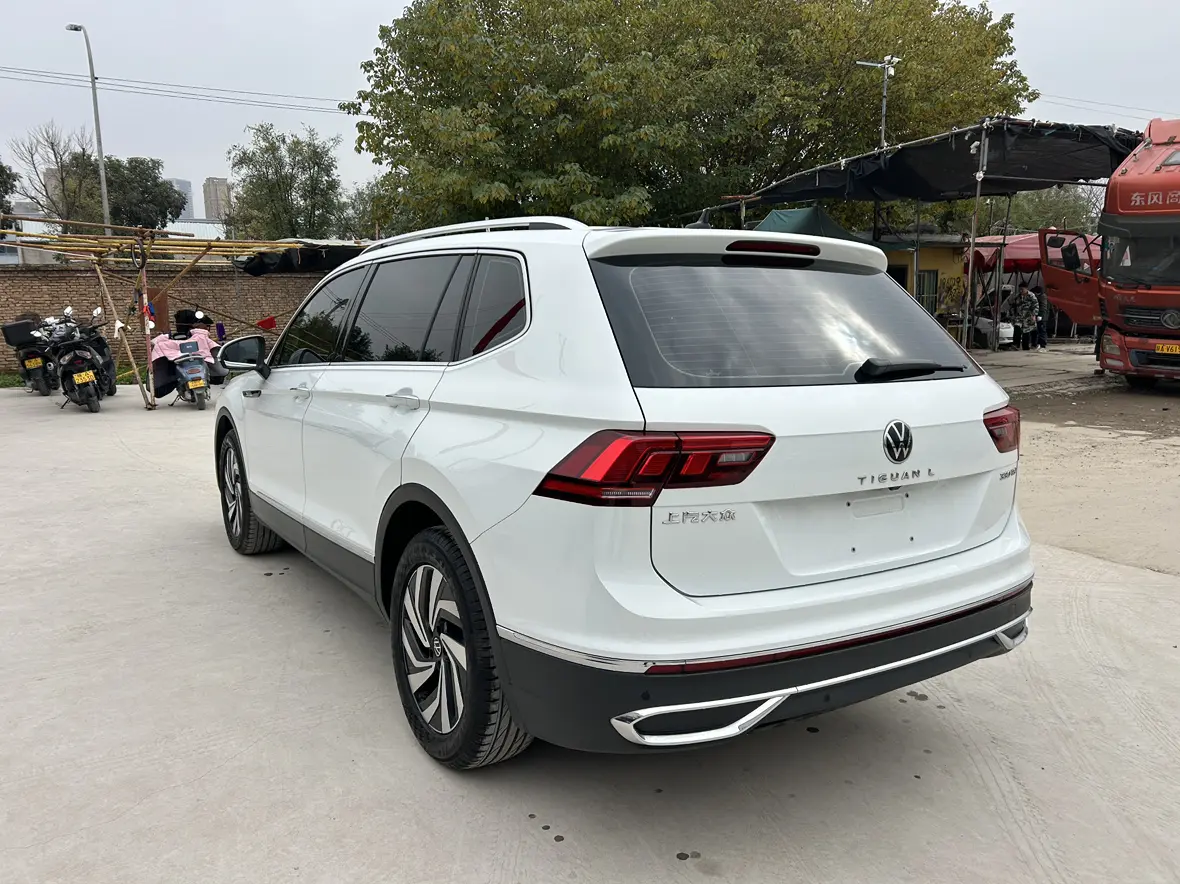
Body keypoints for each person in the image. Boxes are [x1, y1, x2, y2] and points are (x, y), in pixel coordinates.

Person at [1013, 282, 1038, 351]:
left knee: (1026, 331)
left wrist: (1034, 315)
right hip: (1019, 316)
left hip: (1028, 316)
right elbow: (1014, 306)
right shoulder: (1018, 296)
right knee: (1017, 328)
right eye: (1020, 289)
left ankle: (1025, 346)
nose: (1021, 291)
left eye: (1022, 289)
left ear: (1026, 289)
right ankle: (1016, 344)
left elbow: (1036, 305)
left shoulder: (1031, 296)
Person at [1032, 284, 1049, 351]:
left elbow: (1043, 307)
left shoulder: (1042, 297)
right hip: (1039, 316)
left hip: (1042, 317)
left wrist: (1040, 315)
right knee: (1038, 330)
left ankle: (1043, 345)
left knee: (1042, 331)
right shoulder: (1040, 296)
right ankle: (1038, 344)